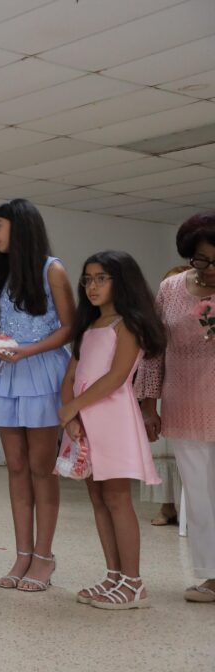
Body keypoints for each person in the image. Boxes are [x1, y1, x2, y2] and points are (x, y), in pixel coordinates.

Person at [0, 199, 75, 592]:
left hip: (41, 373)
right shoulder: (2, 273)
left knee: (40, 467)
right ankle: (22, 553)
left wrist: (28, 351)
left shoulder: (53, 270)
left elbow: (70, 327)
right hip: (6, 375)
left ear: (20, 227)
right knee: (16, 467)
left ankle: (44, 557)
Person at [60, 251, 165, 609]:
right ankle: (114, 575)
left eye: (101, 278)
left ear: (122, 282)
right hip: (85, 421)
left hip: (112, 419)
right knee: (99, 499)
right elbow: (70, 376)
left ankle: (134, 583)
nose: (92, 286)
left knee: (118, 499)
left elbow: (117, 377)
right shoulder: (88, 327)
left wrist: (74, 407)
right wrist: (71, 417)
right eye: (88, 279)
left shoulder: (127, 325)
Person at [138, 213, 215, 603]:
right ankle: (211, 575)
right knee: (199, 496)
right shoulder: (170, 289)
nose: (211, 268)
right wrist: (148, 405)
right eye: (203, 260)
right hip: (185, 404)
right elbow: (153, 350)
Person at [138, 265, 190, 528]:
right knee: (164, 456)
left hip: (194, 392)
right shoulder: (159, 321)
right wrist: (149, 404)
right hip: (163, 393)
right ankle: (167, 506)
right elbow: (151, 358)